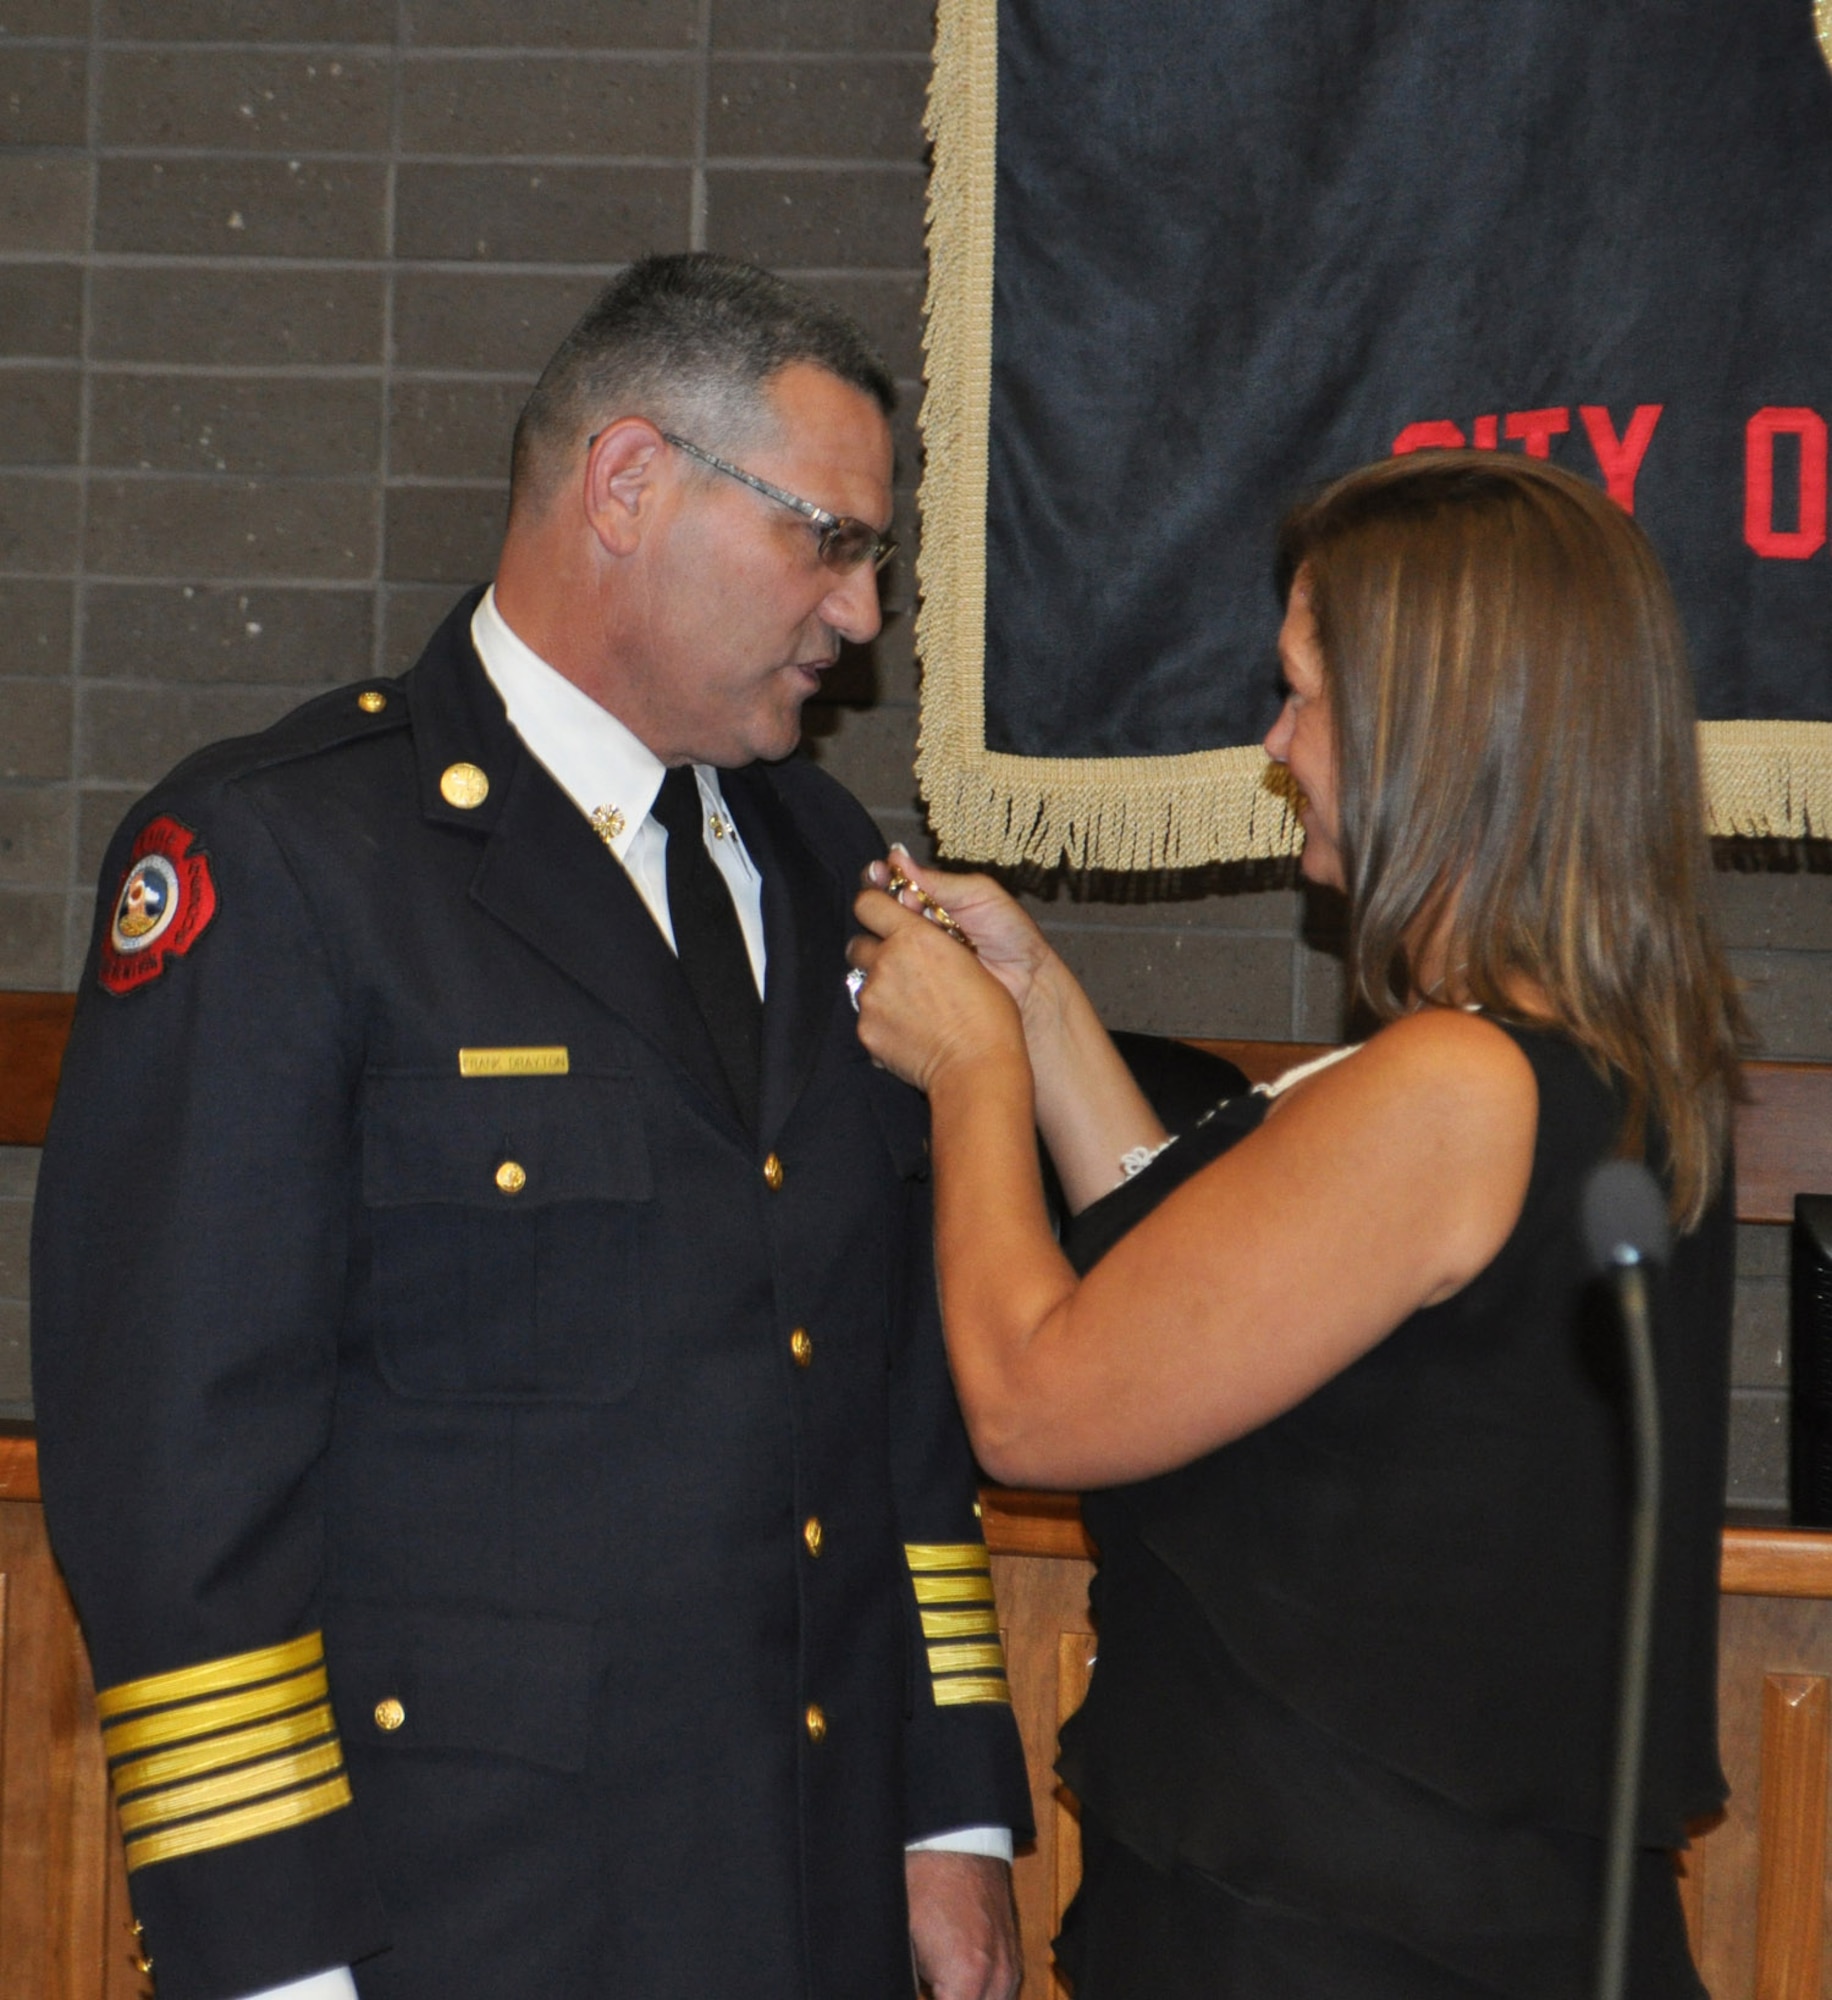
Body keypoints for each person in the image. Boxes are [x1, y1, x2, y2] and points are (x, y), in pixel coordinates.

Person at [30, 253, 1030, 2000]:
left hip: (805, 1897)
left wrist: (945, 1822)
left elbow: (887, 1411)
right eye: (828, 539)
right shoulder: (287, 865)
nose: (863, 616)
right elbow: (177, 1478)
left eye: (874, 555)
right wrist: (274, 1962)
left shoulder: (816, 859)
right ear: (628, 485)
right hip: (470, 1919)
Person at [847, 452, 1743, 1996]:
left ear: (1434, 725)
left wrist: (969, 1070)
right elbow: (1211, 1310)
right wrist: (1043, 1006)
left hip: (1345, 1940)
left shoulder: (1453, 1087)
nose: (1278, 747)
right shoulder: (1580, 1066)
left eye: (1305, 693)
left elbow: (1038, 1394)